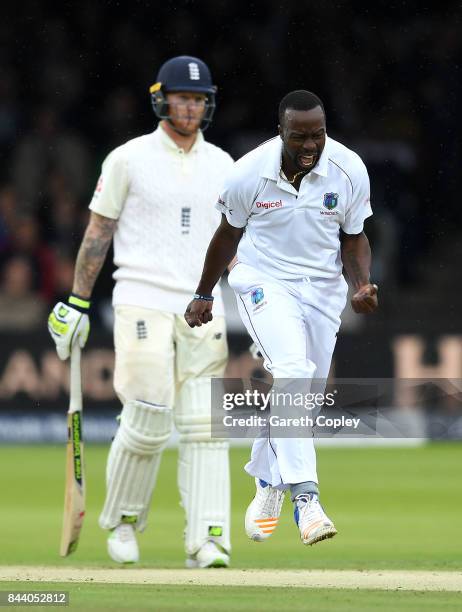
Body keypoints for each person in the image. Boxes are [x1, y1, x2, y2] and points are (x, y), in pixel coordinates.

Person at [48, 56, 234, 568]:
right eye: (182, 97)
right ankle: (125, 523)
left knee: (204, 423)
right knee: (149, 416)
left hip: (203, 305)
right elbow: (97, 234)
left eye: (198, 99)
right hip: (141, 299)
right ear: (162, 99)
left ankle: (208, 538)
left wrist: (258, 303)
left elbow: (234, 245)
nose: (191, 107)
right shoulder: (127, 158)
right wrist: (77, 302)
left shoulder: (224, 165)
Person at [185, 90, 378, 547]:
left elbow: (354, 237)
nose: (311, 146)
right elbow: (227, 235)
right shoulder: (247, 173)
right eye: (300, 137)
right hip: (262, 280)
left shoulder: (349, 168)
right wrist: (203, 293)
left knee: (304, 396)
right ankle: (305, 498)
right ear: (281, 132)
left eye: (318, 135)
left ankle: (266, 478)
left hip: (323, 291)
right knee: (292, 370)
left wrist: (361, 284)